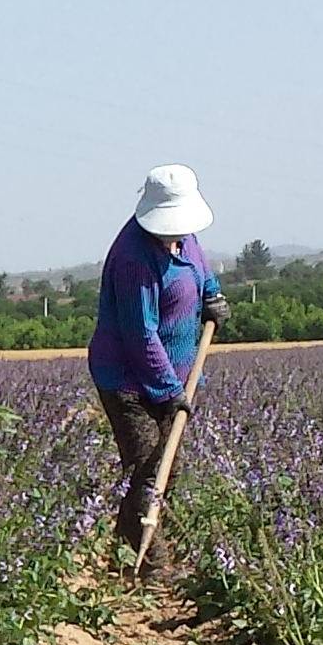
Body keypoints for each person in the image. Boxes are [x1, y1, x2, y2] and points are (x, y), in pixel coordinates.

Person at [88, 165, 223, 554]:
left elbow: (199, 269)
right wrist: (169, 391)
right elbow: (139, 334)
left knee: (169, 468)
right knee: (148, 470)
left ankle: (128, 544)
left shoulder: (184, 237)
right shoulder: (134, 258)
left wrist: (211, 295)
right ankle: (146, 562)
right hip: (128, 379)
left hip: (172, 375)